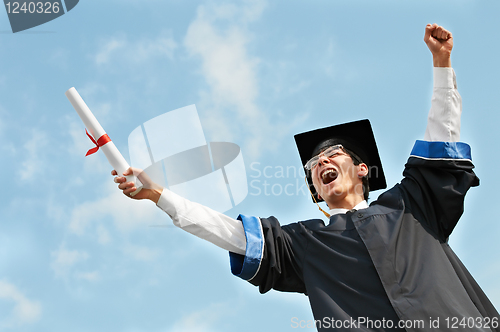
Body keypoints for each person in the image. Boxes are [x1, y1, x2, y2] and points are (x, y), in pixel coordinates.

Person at [113, 24, 499, 331]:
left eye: (333, 154)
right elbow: (228, 232)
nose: (321, 162)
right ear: (315, 188)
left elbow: (441, 139)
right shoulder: (307, 243)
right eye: (314, 164)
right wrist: (160, 195)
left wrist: (442, 65)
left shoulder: (410, 206)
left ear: (362, 169)